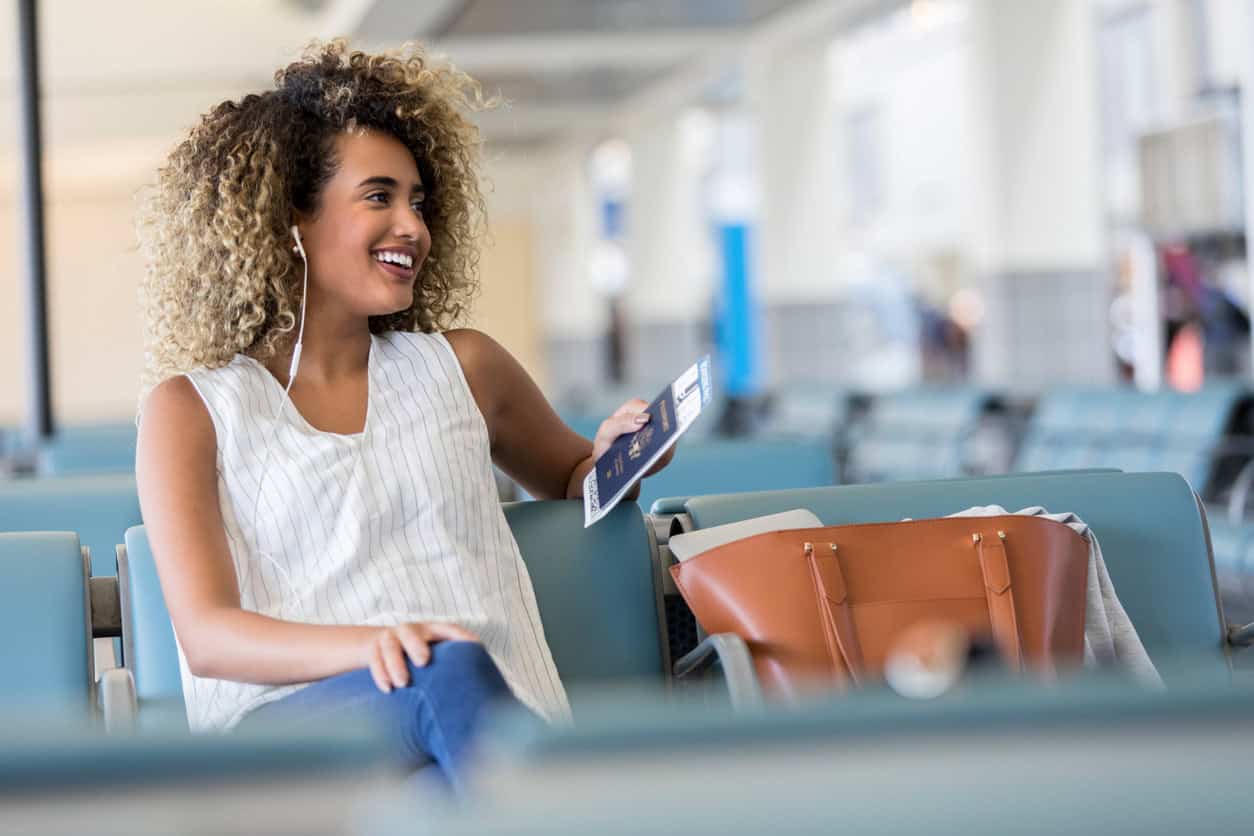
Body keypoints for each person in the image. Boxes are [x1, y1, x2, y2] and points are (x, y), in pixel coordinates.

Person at [134, 40, 673, 786]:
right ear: (291, 216)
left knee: (444, 754)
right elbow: (208, 636)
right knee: (440, 674)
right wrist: (378, 646)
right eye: (379, 196)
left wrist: (619, 452)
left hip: (476, 724)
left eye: (418, 201)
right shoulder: (189, 410)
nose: (412, 226)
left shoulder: (467, 367)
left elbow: (575, 476)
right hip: (300, 736)